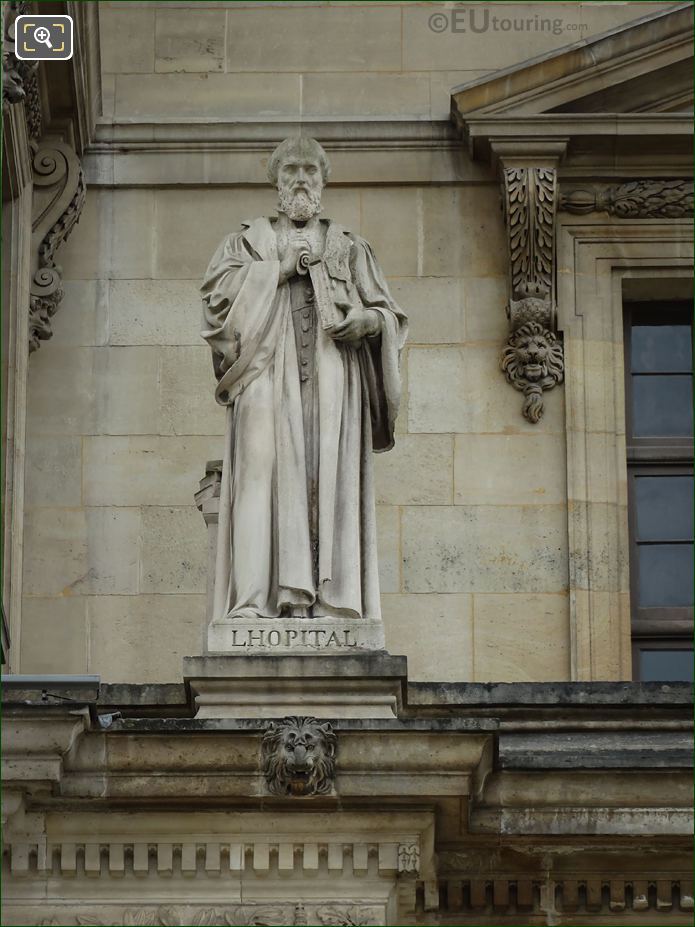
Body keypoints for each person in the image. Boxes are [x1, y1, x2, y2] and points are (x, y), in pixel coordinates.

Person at [201, 136, 407, 626]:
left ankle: (334, 604)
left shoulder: (350, 247)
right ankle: (252, 604)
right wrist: (277, 270)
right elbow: (216, 307)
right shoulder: (246, 243)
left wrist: (370, 323)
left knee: (331, 478)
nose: (300, 179)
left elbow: (388, 313)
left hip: (335, 376)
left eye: (310, 171)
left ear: (323, 182)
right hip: (263, 373)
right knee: (258, 476)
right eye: (290, 170)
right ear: (276, 182)